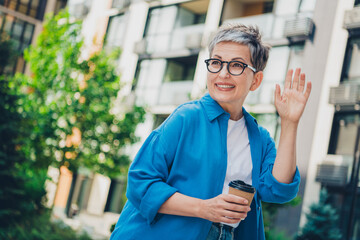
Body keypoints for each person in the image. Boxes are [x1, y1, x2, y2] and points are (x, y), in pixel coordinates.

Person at [110, 24, 312, 240]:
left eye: (236, 65)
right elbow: (140, 184)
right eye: (216, 63)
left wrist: (290, 122)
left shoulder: (259, 138)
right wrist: (203, 208)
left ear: (256, 80)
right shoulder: (186, 118)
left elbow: (280, 190)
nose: (223, 74)